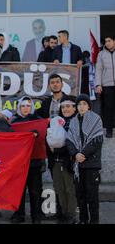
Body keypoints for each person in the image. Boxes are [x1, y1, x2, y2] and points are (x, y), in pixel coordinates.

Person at [66, 94, 103, 224]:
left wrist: (82, 154)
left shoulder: (96, 119)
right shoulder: (73, 121)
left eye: (84, 104)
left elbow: (97, 140)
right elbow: (69, 141)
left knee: (92, 197)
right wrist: (75, 154)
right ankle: (83, 220)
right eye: (79, 104)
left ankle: (94, 221)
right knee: (80, 196)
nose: (81, 107)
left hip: (91, 164)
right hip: (78, 165)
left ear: (89, 106)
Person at [10, 97, 45, 224]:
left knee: (35, 191)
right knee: (18, 190)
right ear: (19, 107)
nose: (26, 108)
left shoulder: (39, 121)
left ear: (32, 107)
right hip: (19, 164)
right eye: (23, 106)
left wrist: (37, 134)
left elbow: (43, 139)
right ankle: (19, 214)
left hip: (35, 163)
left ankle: (36, 216)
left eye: (28, 106)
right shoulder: (14, 122)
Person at [47, 95, 77, 224]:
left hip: (69, 162)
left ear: (75, 108)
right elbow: (50, 141)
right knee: (59, 188)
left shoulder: (77, 122)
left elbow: (74, 144)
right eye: (63, 107)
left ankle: (71, 215)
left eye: (68, 106)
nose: (65, 109)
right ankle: (62, 213)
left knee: (70, 189)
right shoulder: (57, 121)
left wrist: (59, 149)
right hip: (56, 161)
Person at [95, 35, 115, 138]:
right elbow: (98, 70)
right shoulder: (101, 54)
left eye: (109, 40)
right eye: (106, 41)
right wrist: (98, 84)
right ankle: (109, 130)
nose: (107, 43)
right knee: (108, 108)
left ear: (114, 41)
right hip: (107, 85)